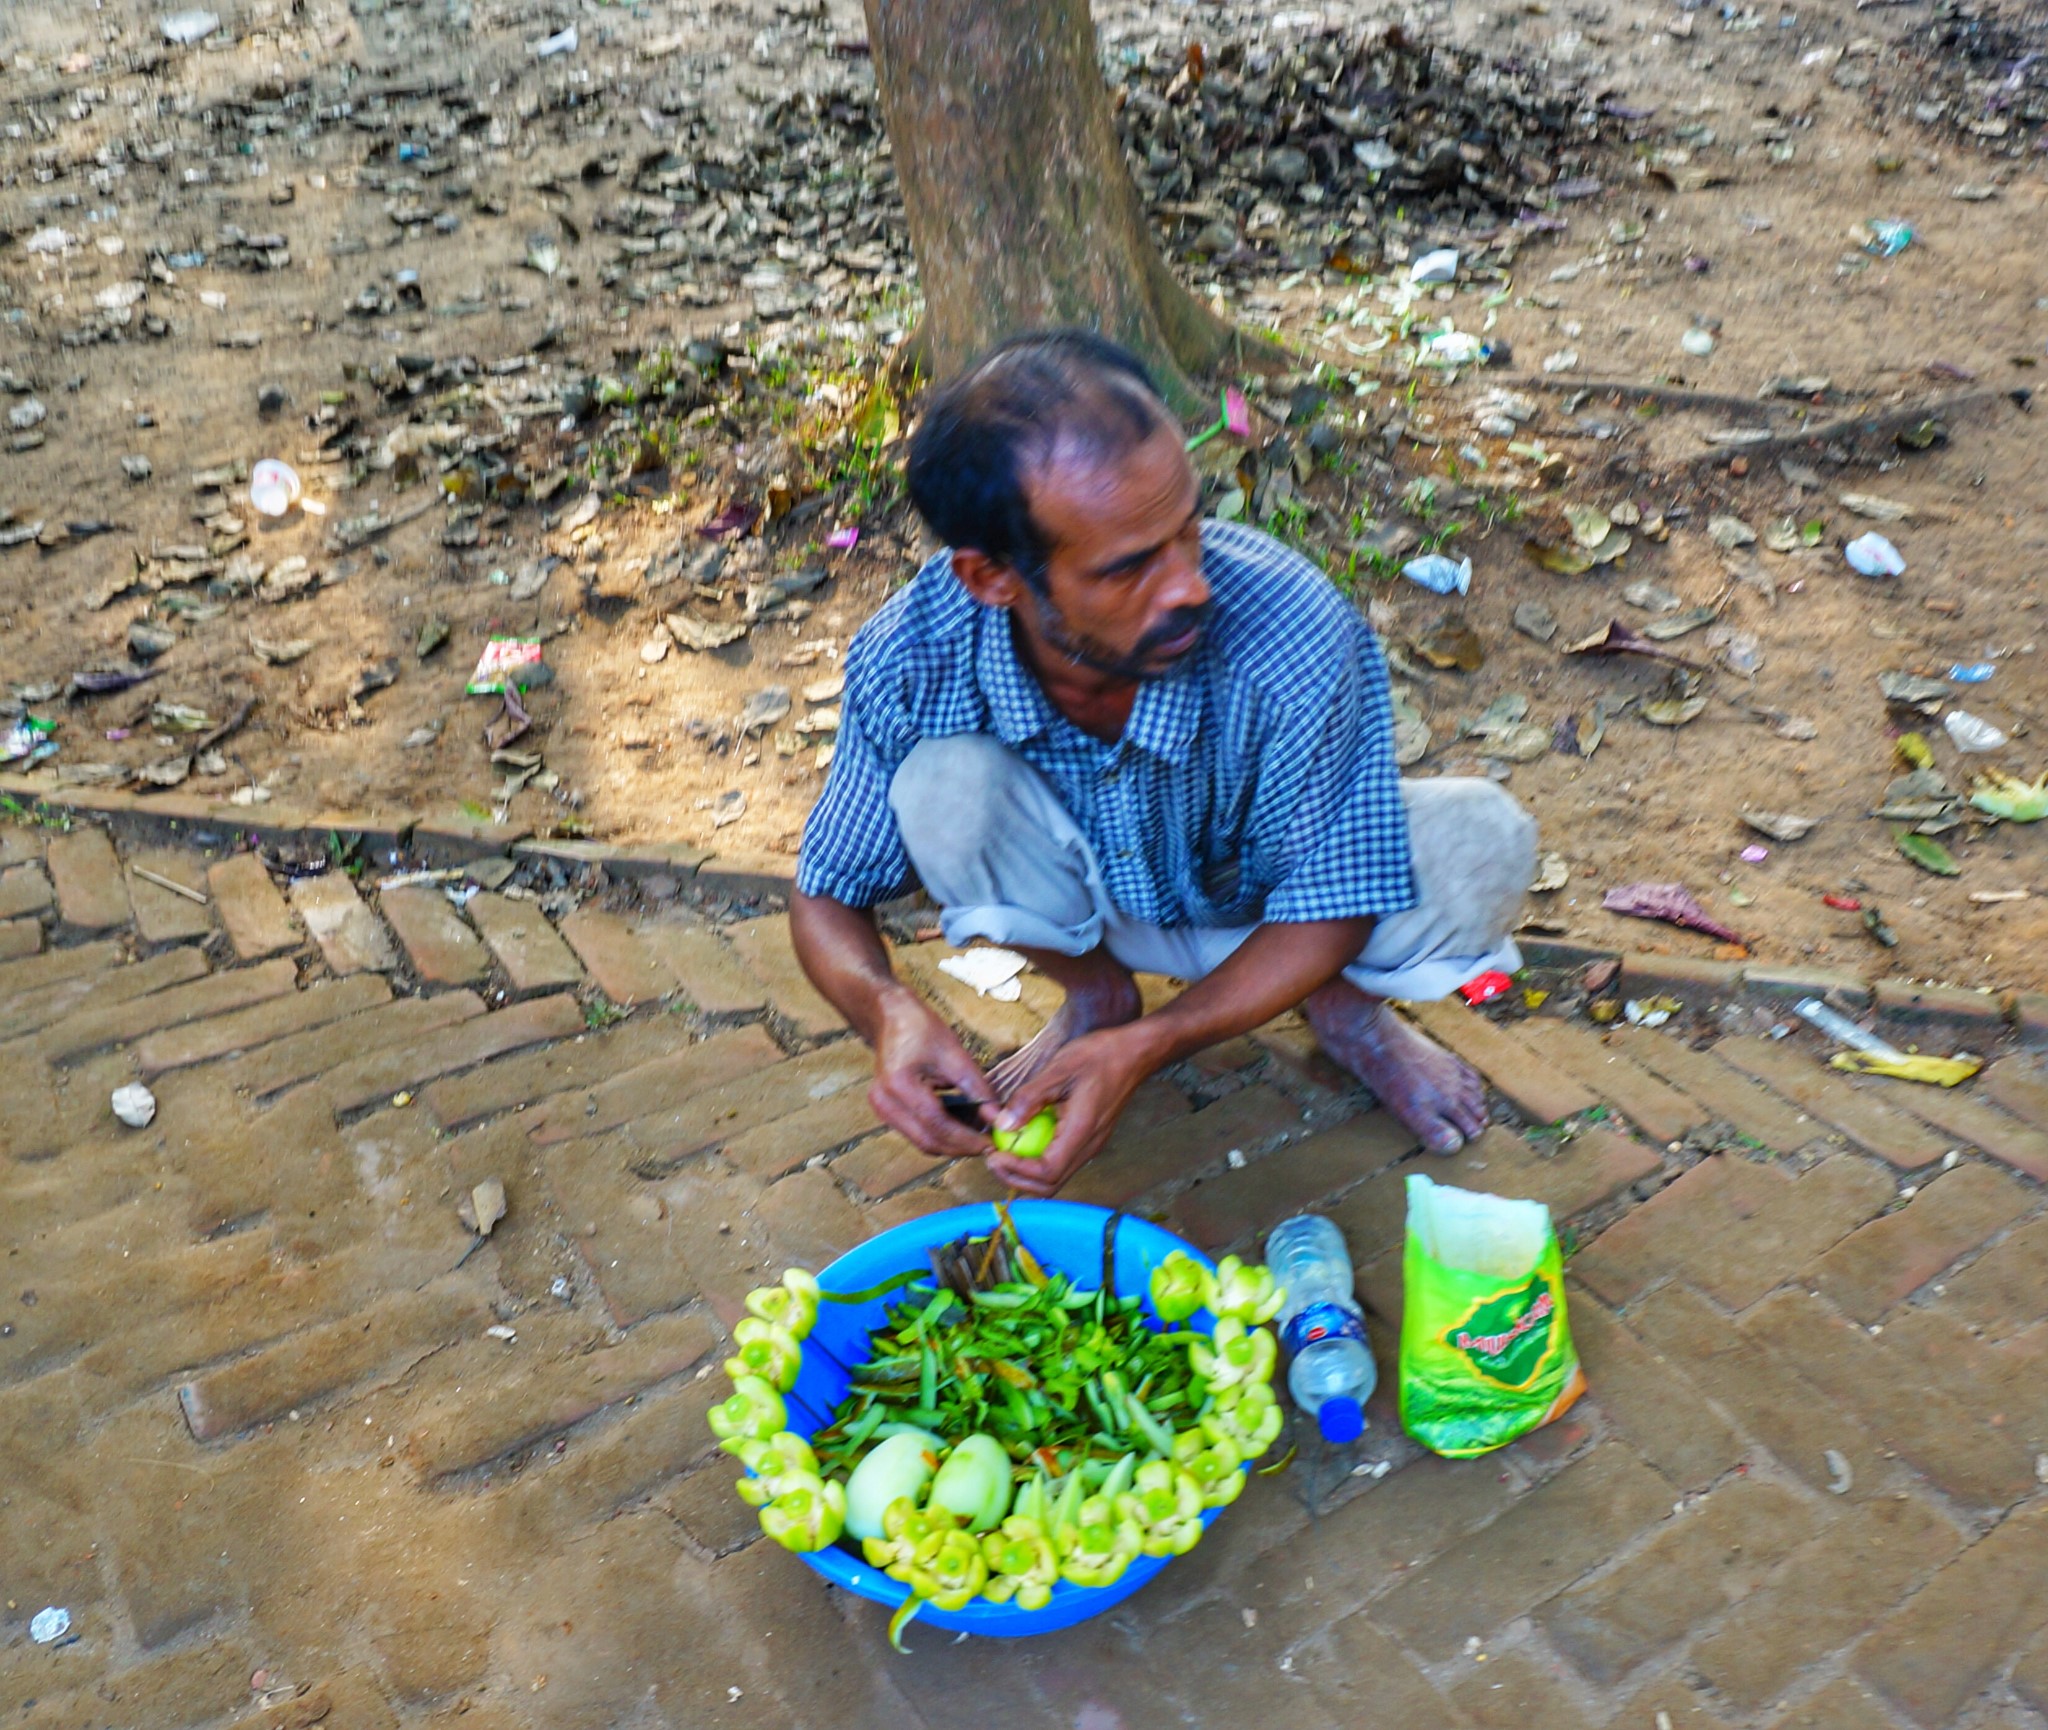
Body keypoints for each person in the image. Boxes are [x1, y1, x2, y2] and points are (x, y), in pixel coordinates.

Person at [788, 329, 1537, 1198]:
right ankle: (1097, 999)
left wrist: (1158, 1045)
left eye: (1188, 529)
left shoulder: (1292, 628)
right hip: (1092, 911)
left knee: (1481, 841)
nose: (1190, 586)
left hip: (1280, 911)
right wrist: (888, 1012)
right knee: (938, 788)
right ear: (992, 578)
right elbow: (825, 892)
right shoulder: (913, 656)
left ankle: (1342, 1011)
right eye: (1129, 567)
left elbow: (1336, 902)